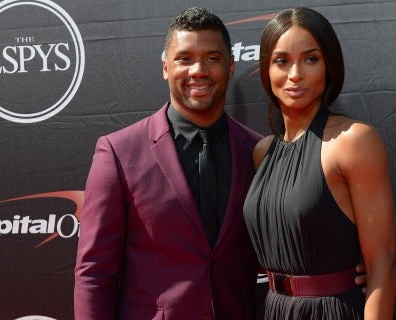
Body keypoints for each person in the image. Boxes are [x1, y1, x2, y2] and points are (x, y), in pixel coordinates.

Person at [74, 7, 263, 320]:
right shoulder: (119, 153)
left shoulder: (257, 151)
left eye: (213, 58)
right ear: (165, 67)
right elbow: (94, 274)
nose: (198, 70)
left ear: (230, 66)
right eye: (184, 58)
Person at [243, 7, 396, 320]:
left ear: (329, 66)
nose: (295, 73)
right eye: (282, 61)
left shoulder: (354, 141)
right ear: (266, 70)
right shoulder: (263, 152)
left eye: (310, 59)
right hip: (275, 309)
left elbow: (382, 266)